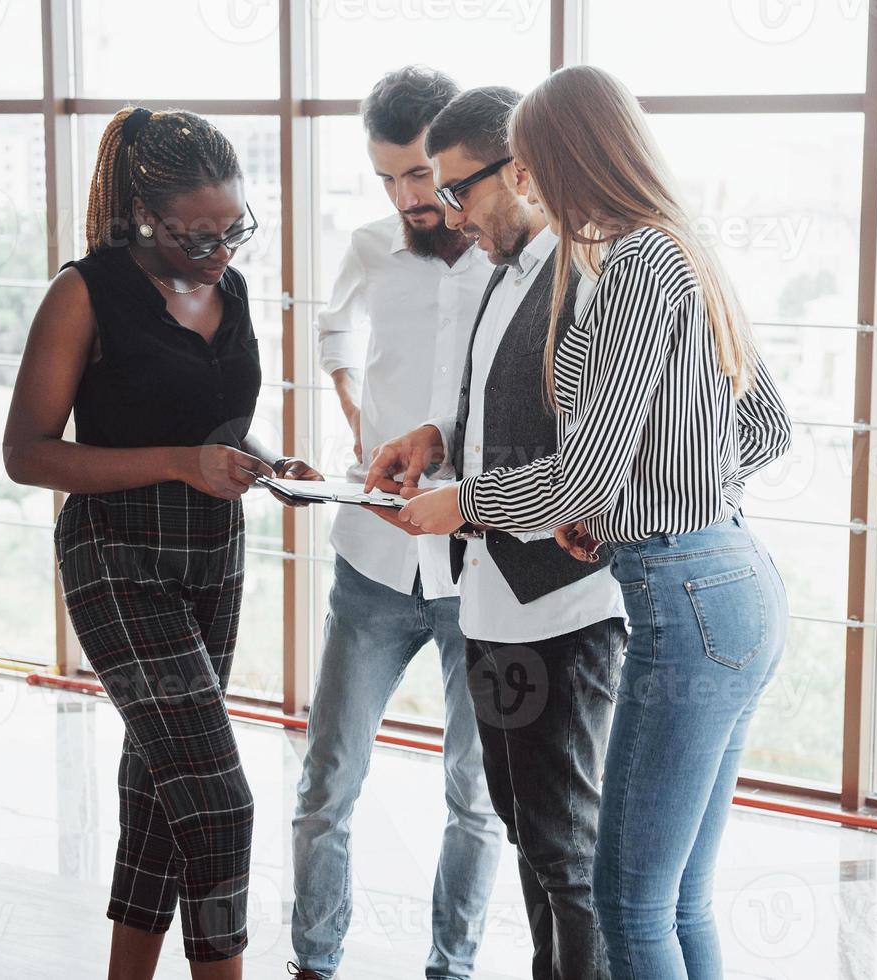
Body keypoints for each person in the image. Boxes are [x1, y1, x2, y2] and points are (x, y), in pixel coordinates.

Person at [394, 66, 794, 980]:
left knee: (627, 905)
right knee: (675, 900)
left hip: (686, 598)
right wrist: (630, 509)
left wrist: (470, 504)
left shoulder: (631, 265)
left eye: (528, 167)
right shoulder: (679, 247)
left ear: (566, 158)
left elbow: (579, 475)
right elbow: (763, 428)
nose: (525, 186)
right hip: (730, 579)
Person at [3, 105, 322, 979]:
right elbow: (27, 453)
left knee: (160, 790)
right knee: (219, 803)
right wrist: (181, 463)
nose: (220, 250)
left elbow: (217, 423)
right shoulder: (83, 293)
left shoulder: (235, 289)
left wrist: (266, 458)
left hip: (213, 558)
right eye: (198, 235)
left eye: (234, 229)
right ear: (145, 218)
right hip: (116, 559)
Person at [365, 85, 628, 980]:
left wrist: (466, 502)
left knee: (568, 847)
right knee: (524, 827)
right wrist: (436, 438)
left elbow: (596, 465)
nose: (445, 212)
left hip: (566, 610)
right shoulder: (503, 272)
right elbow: (503, 411)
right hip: (494, 608)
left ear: (517, 172)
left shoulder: (597, 279)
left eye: (457, 190)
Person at [288, 67, 503, 980]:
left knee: (475, 798)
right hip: (372, 560)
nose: (405, 197)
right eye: (385, 178)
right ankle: (312, 963)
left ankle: (449, 969)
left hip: (486, 573)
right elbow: (332, 330)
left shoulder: (514, 256)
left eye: (418, 175)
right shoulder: (373, 245)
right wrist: (353, 419)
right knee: (326, 786)